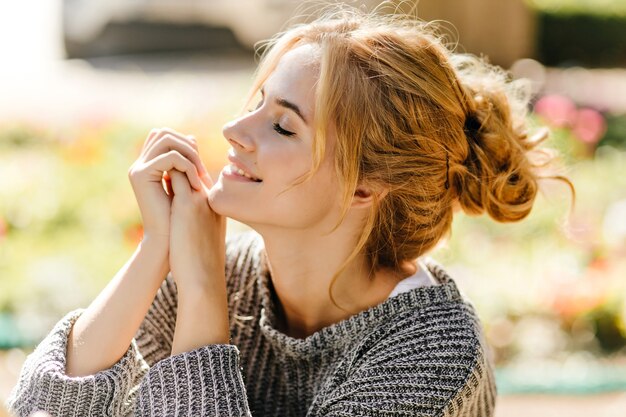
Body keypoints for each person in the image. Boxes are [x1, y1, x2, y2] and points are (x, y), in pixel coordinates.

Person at [6, 4, 571, 417]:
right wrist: (159, 249)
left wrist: (202, 289)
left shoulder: (432, 354)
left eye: (282, 125)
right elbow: (40, 408)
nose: (232, 131)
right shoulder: (232, 272)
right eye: (257, 103)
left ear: (363, 187)